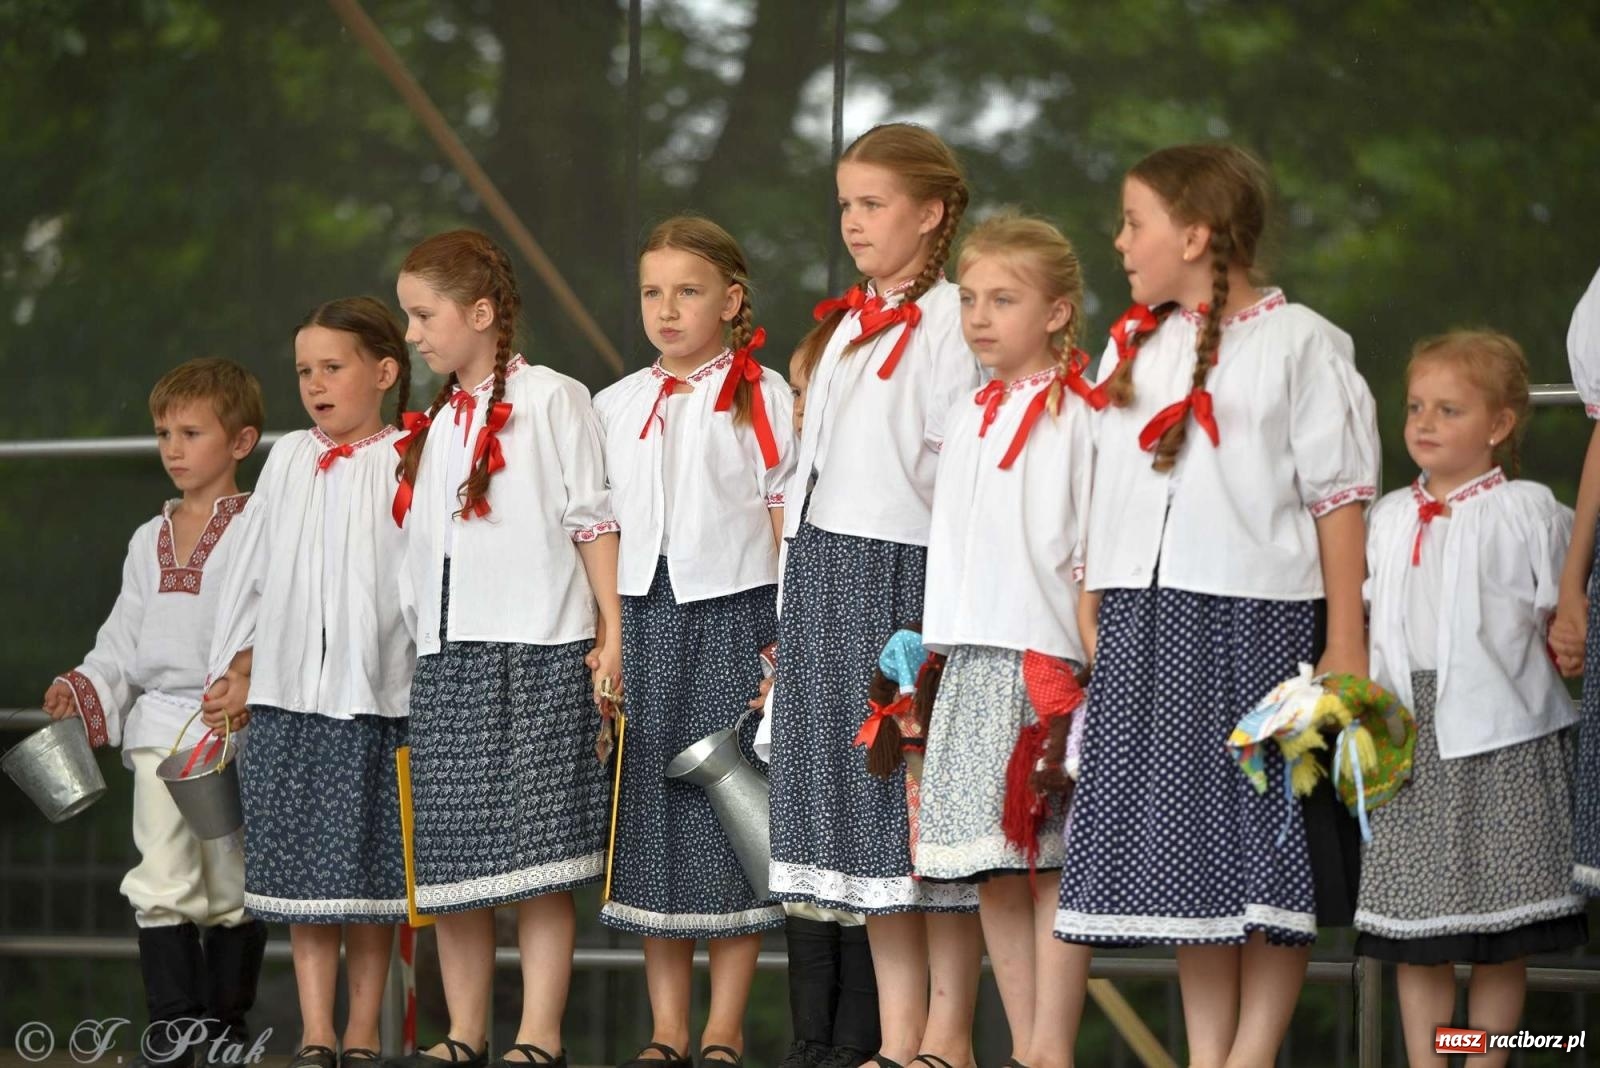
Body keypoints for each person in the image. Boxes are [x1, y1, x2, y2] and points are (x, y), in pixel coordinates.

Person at [1052, 143, 1379, 1067]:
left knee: (1266, 843)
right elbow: (1104, 483)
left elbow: (1339, 496)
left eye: (1135, 222)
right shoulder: (1138, 343)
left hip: (1258, 622)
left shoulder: (1299, 340)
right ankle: (1209, 1056)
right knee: (1192, 853)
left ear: (1194, 235)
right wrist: (1093, 592)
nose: (1119, 242)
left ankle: (1254, 1053)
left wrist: (1345, 639)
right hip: (1150, 623)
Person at [767, 121, 985, 1068]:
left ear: (931, 211)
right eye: (846, 204)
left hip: (904, 582)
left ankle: (949, 1035)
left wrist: (930, 625)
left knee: (914, 814)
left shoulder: (951, 322)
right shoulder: (850, 322)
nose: (853, 222)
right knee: (860, 828)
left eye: (874, 204)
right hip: (826, 576)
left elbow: (956, 482)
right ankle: (897, 1042)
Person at [394, 229, 619, 1068]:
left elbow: (591, 517)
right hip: (449, 659)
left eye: (424, 314)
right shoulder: (435, 421)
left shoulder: (555, 398)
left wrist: (611, 630)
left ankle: (540, 1036)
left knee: (539, 860)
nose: (412, 333)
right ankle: (463, 1034)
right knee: (453, 864)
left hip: (539, 649)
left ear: (480, 312)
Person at [592, 214, 794, 1068]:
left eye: (689, 291)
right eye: (652, 292)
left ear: (732, 299)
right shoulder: (613, 404)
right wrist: (603, 636)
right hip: (642, 618)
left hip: (734, 616)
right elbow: (593, 526)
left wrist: (788, 638)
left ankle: (725, 1025)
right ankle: (668, 1026)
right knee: (646, 814)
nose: (667, 309)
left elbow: (789, 519)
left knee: (729, 804)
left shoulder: (765, 392)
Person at [1358, 330, 1587, 1067]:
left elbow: (1564, 615)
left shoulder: (1528, 512)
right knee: (1417, 935)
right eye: (1416, 406)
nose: (1424, 422)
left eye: (1449, 409)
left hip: (1502, 740)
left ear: (1498, 425)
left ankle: (1483, 1061)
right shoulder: (1387, 516)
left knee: (1498, 937)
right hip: (1408, 742)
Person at [205, 298, 416, 1068]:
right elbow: (252, 568)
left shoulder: (410, 458)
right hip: (291, 700)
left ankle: (363, 1028)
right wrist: (239, 664)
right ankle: (316, 1029)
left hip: (376, 698)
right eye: (305, 371)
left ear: (384, 372)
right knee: (302, 880)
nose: (316, 385)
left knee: (368, 879)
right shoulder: (291, 456)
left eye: (334, 367)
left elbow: (418, 580)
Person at [45, 358, 266, 1067]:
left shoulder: (262, 524)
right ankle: (174, 1030)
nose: (173, 448)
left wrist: (248, 673)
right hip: (156, 731)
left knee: (233, 883)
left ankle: (228, 1031)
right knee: (161, 876)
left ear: (240, 441)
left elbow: (281, 616)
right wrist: (84, 684)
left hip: (231, 730)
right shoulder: (150, 537)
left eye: (191, 432)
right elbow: (123, 633)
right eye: (164, 432)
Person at [915, 213, 1095, 1068]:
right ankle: (1026, 1047)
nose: (980, 317)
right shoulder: (965, 412)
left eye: (1004, 299)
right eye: (970, 299)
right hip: (972, 657)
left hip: (1045, 659)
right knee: (990, 865)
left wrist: (1086, 663)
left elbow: (1093, 542)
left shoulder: (1086, 412)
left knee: (1047, 860)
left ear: (1058, 312)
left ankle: (1052, 1046)